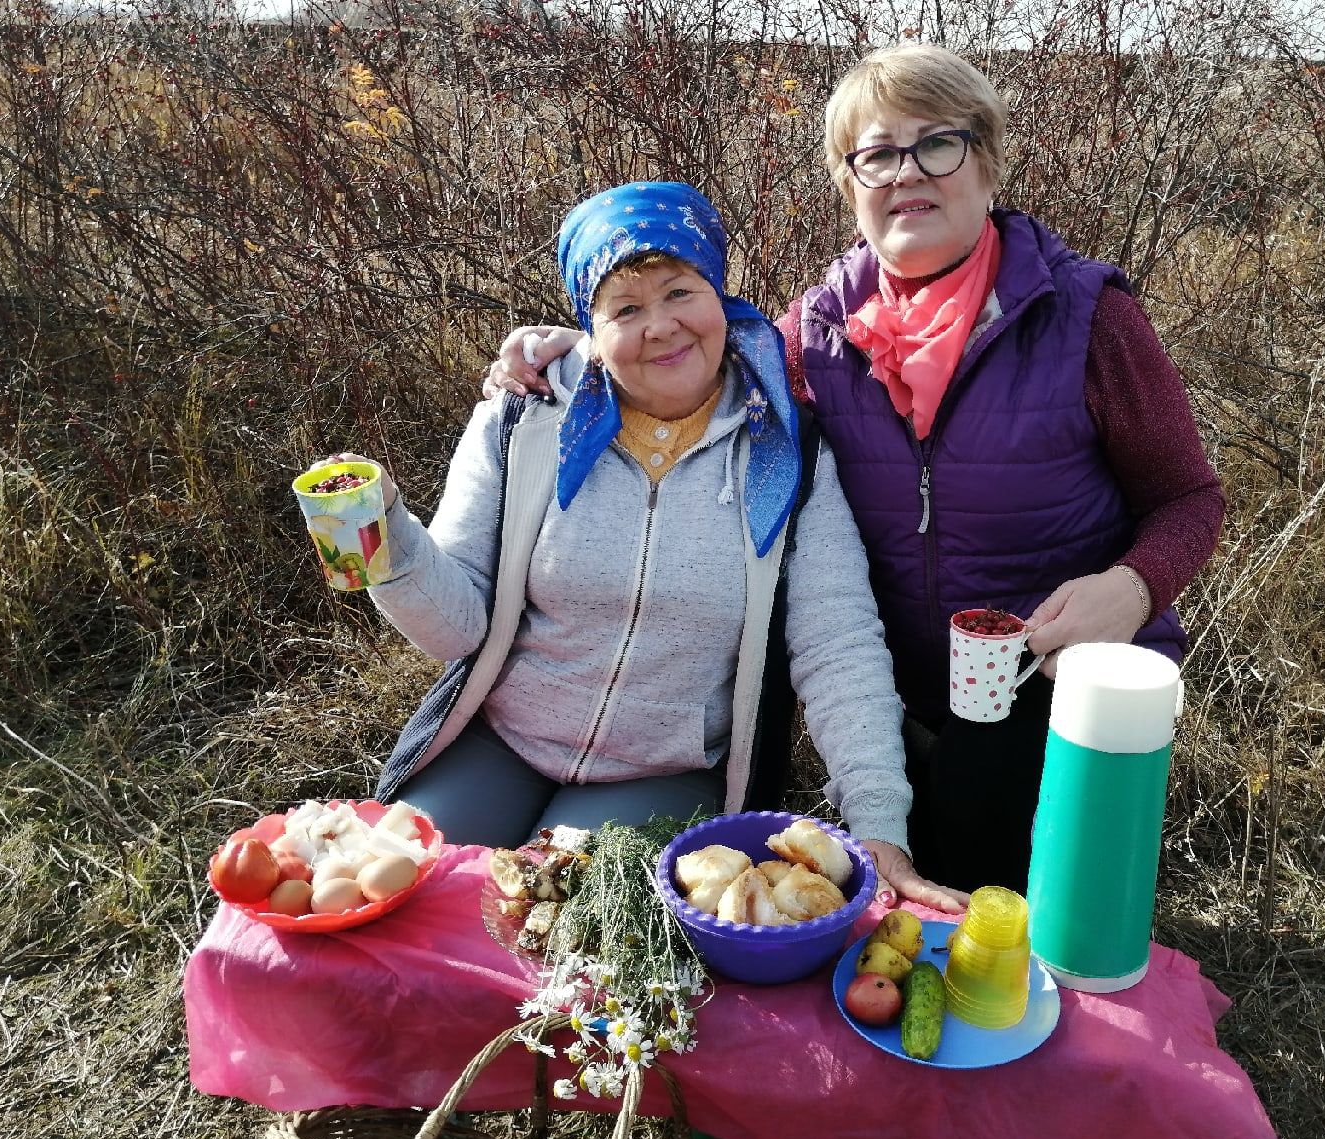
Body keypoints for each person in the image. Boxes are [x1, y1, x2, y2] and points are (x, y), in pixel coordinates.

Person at [486, 47, 1225, 896]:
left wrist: (1130, 591)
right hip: (898, 699)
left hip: (1058, 692)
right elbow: (695, 362)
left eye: (936, 144)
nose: (907, 173)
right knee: (908, 925)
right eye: (877, 153)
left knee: (1037, 930)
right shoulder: (816, 336)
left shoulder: (1084, 316)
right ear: (851, 184)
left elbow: (1188, 499)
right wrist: (576, 351)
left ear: (985, 163)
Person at [315, 180, 966, 912]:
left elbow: (837, 643)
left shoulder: (787, 451)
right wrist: (381, 534)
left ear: (717, 292)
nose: (661, 326)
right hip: (500, 742)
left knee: (555, 935)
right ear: (590, 326)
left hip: (663, 771)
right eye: (625, 308)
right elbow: (456, 628)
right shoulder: (524, 420)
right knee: (393, 902)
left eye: (680, 291)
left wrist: (880, 828)